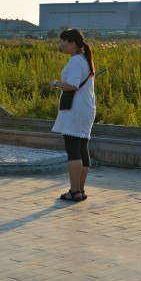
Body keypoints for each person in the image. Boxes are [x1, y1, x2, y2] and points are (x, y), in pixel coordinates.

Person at [50, 28, 96, 202]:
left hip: (76, 109)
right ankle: (80, 190)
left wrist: (56, 83)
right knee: (82, 148)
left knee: (72, 149)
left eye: (64, 41)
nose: (61, 44)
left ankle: (74, 191)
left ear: (73, 44)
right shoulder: (85, 59)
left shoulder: (76, 61)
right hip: (86, 108)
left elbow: (72, 85)